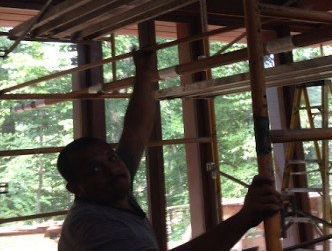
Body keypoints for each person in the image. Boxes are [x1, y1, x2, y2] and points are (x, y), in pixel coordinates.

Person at [57, 49, 282, 250]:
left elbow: (136, 130)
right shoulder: (95, 225)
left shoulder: (112, 188)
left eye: (111, 157)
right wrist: (245, 217)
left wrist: (144, 73)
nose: (111, 168)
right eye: (95, 169)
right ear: (76, 188)